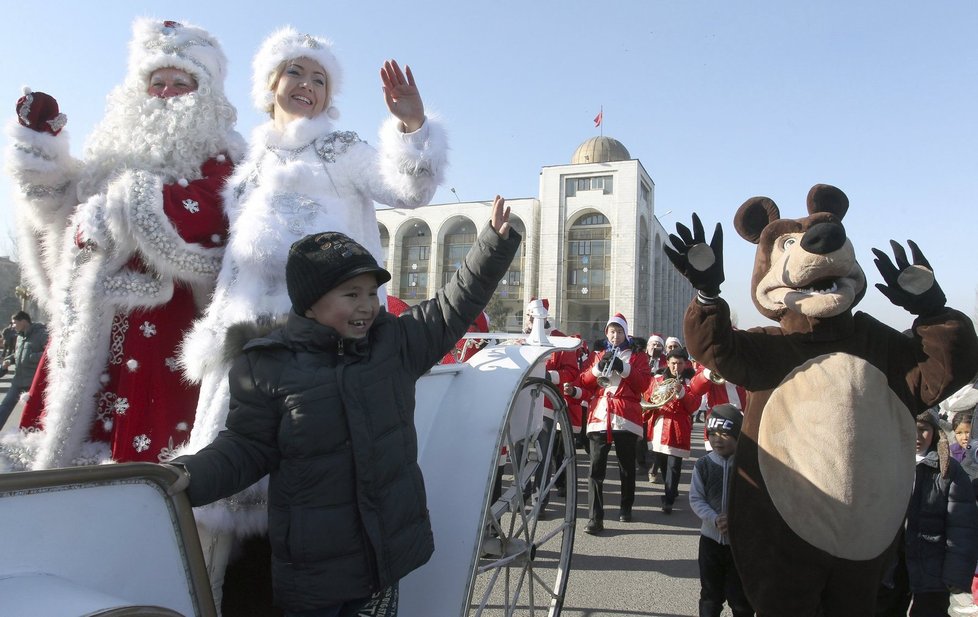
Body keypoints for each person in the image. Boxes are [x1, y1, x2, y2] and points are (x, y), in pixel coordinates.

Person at [165, 196, 519, 617]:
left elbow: (451, 307)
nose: (367, 305)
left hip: (385, 559)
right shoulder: (267, 365)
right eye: (351, 294)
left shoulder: (395, 344)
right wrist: (190, 475)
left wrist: (492, 246)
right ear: (311, 303)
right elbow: (245, 446)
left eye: (371, 292)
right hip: (315, 573)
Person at [1, 18, 241, 470]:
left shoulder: (223, 152)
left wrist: (127, 203)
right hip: (90, 325)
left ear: (204, 92)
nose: (166, 92)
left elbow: (214, 209)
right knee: (67, 443)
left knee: (149, 460)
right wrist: (41, 150)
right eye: (157, 82)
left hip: (167, 328)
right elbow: (60, 212)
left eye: (181, 83)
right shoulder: (111, 152)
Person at [877, 410, 978, 616]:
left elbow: (962, 527)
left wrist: (956, 574)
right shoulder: (883, 464)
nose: (916, 436)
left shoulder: (949, 470)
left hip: (933, 568)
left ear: (935, 432)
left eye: (923, 430)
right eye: (911, 429)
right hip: (889, 568)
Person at [579, 313, 652, 533]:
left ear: (626, 333)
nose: (615, 335)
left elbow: (644, 384)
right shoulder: (597, 354)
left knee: (626, 467)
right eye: (612, 331)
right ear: (606, 333)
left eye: (619, 331)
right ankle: (595, 518)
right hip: (600, 415)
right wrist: (597, 369)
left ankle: (625, 507)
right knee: (595, 469)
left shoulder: (638, 356)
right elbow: (584, 382)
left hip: (625, 416)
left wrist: (624, 367)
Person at [689, 404, 754, 617]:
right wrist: (714, 518)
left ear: (738, 435)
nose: (718, 439)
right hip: (710, 542)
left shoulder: (748, 467)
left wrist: (737, 520)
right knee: (710, 596)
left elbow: (755, 502)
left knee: (742, 599)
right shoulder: (703, 465)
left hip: (740, 545)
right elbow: (696, 498)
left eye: (725, 434)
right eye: (713, 433)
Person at [646, 346, 701, 514]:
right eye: (673, 363)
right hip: (660, 422)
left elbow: (693, 406)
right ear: (668, 363)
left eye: (680, 363)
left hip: (678, 425)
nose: (676, 367)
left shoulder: (691, 382)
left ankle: (668, 499)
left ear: (686, 364)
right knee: (662, 461)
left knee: (674, 465)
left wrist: (682, 392)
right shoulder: (657, 380)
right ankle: (670, 488)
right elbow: (649, 398)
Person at [0, 312, 47, 427]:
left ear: (24, 321)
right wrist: (9, 360)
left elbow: (49, 353)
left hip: (33, 382)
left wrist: (31, 356)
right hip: (18, 381)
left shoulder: (41, 334)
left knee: (34, 413)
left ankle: (32, 437)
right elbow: (18, 353)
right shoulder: (20, 337)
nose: (13, 326)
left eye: (15, 323)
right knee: (5, 406)